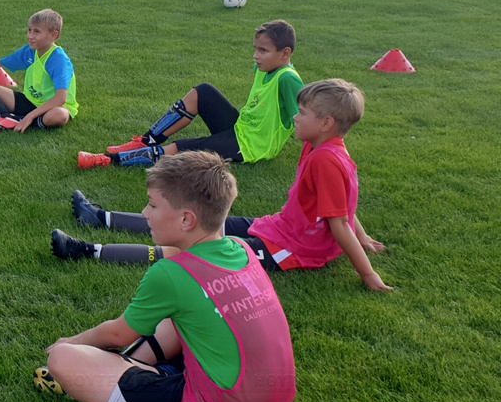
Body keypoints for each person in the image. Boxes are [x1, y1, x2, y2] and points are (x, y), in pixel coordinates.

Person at [38, 151, 295, 402]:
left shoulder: (170, 274)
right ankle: (141, 369)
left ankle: (137, 372)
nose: (145, 213)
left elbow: (118, 335)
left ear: (187, 219)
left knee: (64, 360)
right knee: (182, 317)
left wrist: (71, 342)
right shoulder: (241, 249)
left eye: (153, 204)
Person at [57, 79, 393, 292]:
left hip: (292, 249)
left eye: (301, 113)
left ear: (326, 123)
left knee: (191, 246)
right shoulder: (320, 146)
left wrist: (368, 275)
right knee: (193, 216)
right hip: (278, 227)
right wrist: (363, 238)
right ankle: (98, 218)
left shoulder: (326, 160)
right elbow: (346, 206)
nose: (294, 118)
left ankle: (88, 250)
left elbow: (338, 220)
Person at [79, 20, 302, 169]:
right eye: (255, 49)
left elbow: (304, 118)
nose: (255, 56)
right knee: (203, 91)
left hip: (251, 147)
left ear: (285, 54)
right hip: (240, 129)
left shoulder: (287, 78)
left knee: (179, 148)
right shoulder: (262, 69)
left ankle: (108, 160)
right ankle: (145, 142)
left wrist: (315, 158)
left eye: (263, 51)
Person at [0, 8, 78, 132]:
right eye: (29, 30)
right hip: (30, 102)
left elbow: (61, 98)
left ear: (53, 35)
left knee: (59, 115)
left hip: (53, 107)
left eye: (37, 32)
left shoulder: (58, 60)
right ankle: (4, 117)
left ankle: (16, 119)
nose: (30, 36)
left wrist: (30, 116)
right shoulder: (29, 52)